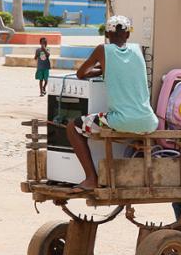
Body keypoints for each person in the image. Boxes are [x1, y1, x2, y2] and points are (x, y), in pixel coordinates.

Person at [66, 15, 158, 191]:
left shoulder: (102, 50)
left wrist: (101, 70)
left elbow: (81, 73)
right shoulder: (137, 48)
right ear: (128, 35)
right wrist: (105, 69)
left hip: (120, 120)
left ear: (107, 34)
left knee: (73, 127)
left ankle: (91, 179)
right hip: (149, 121)